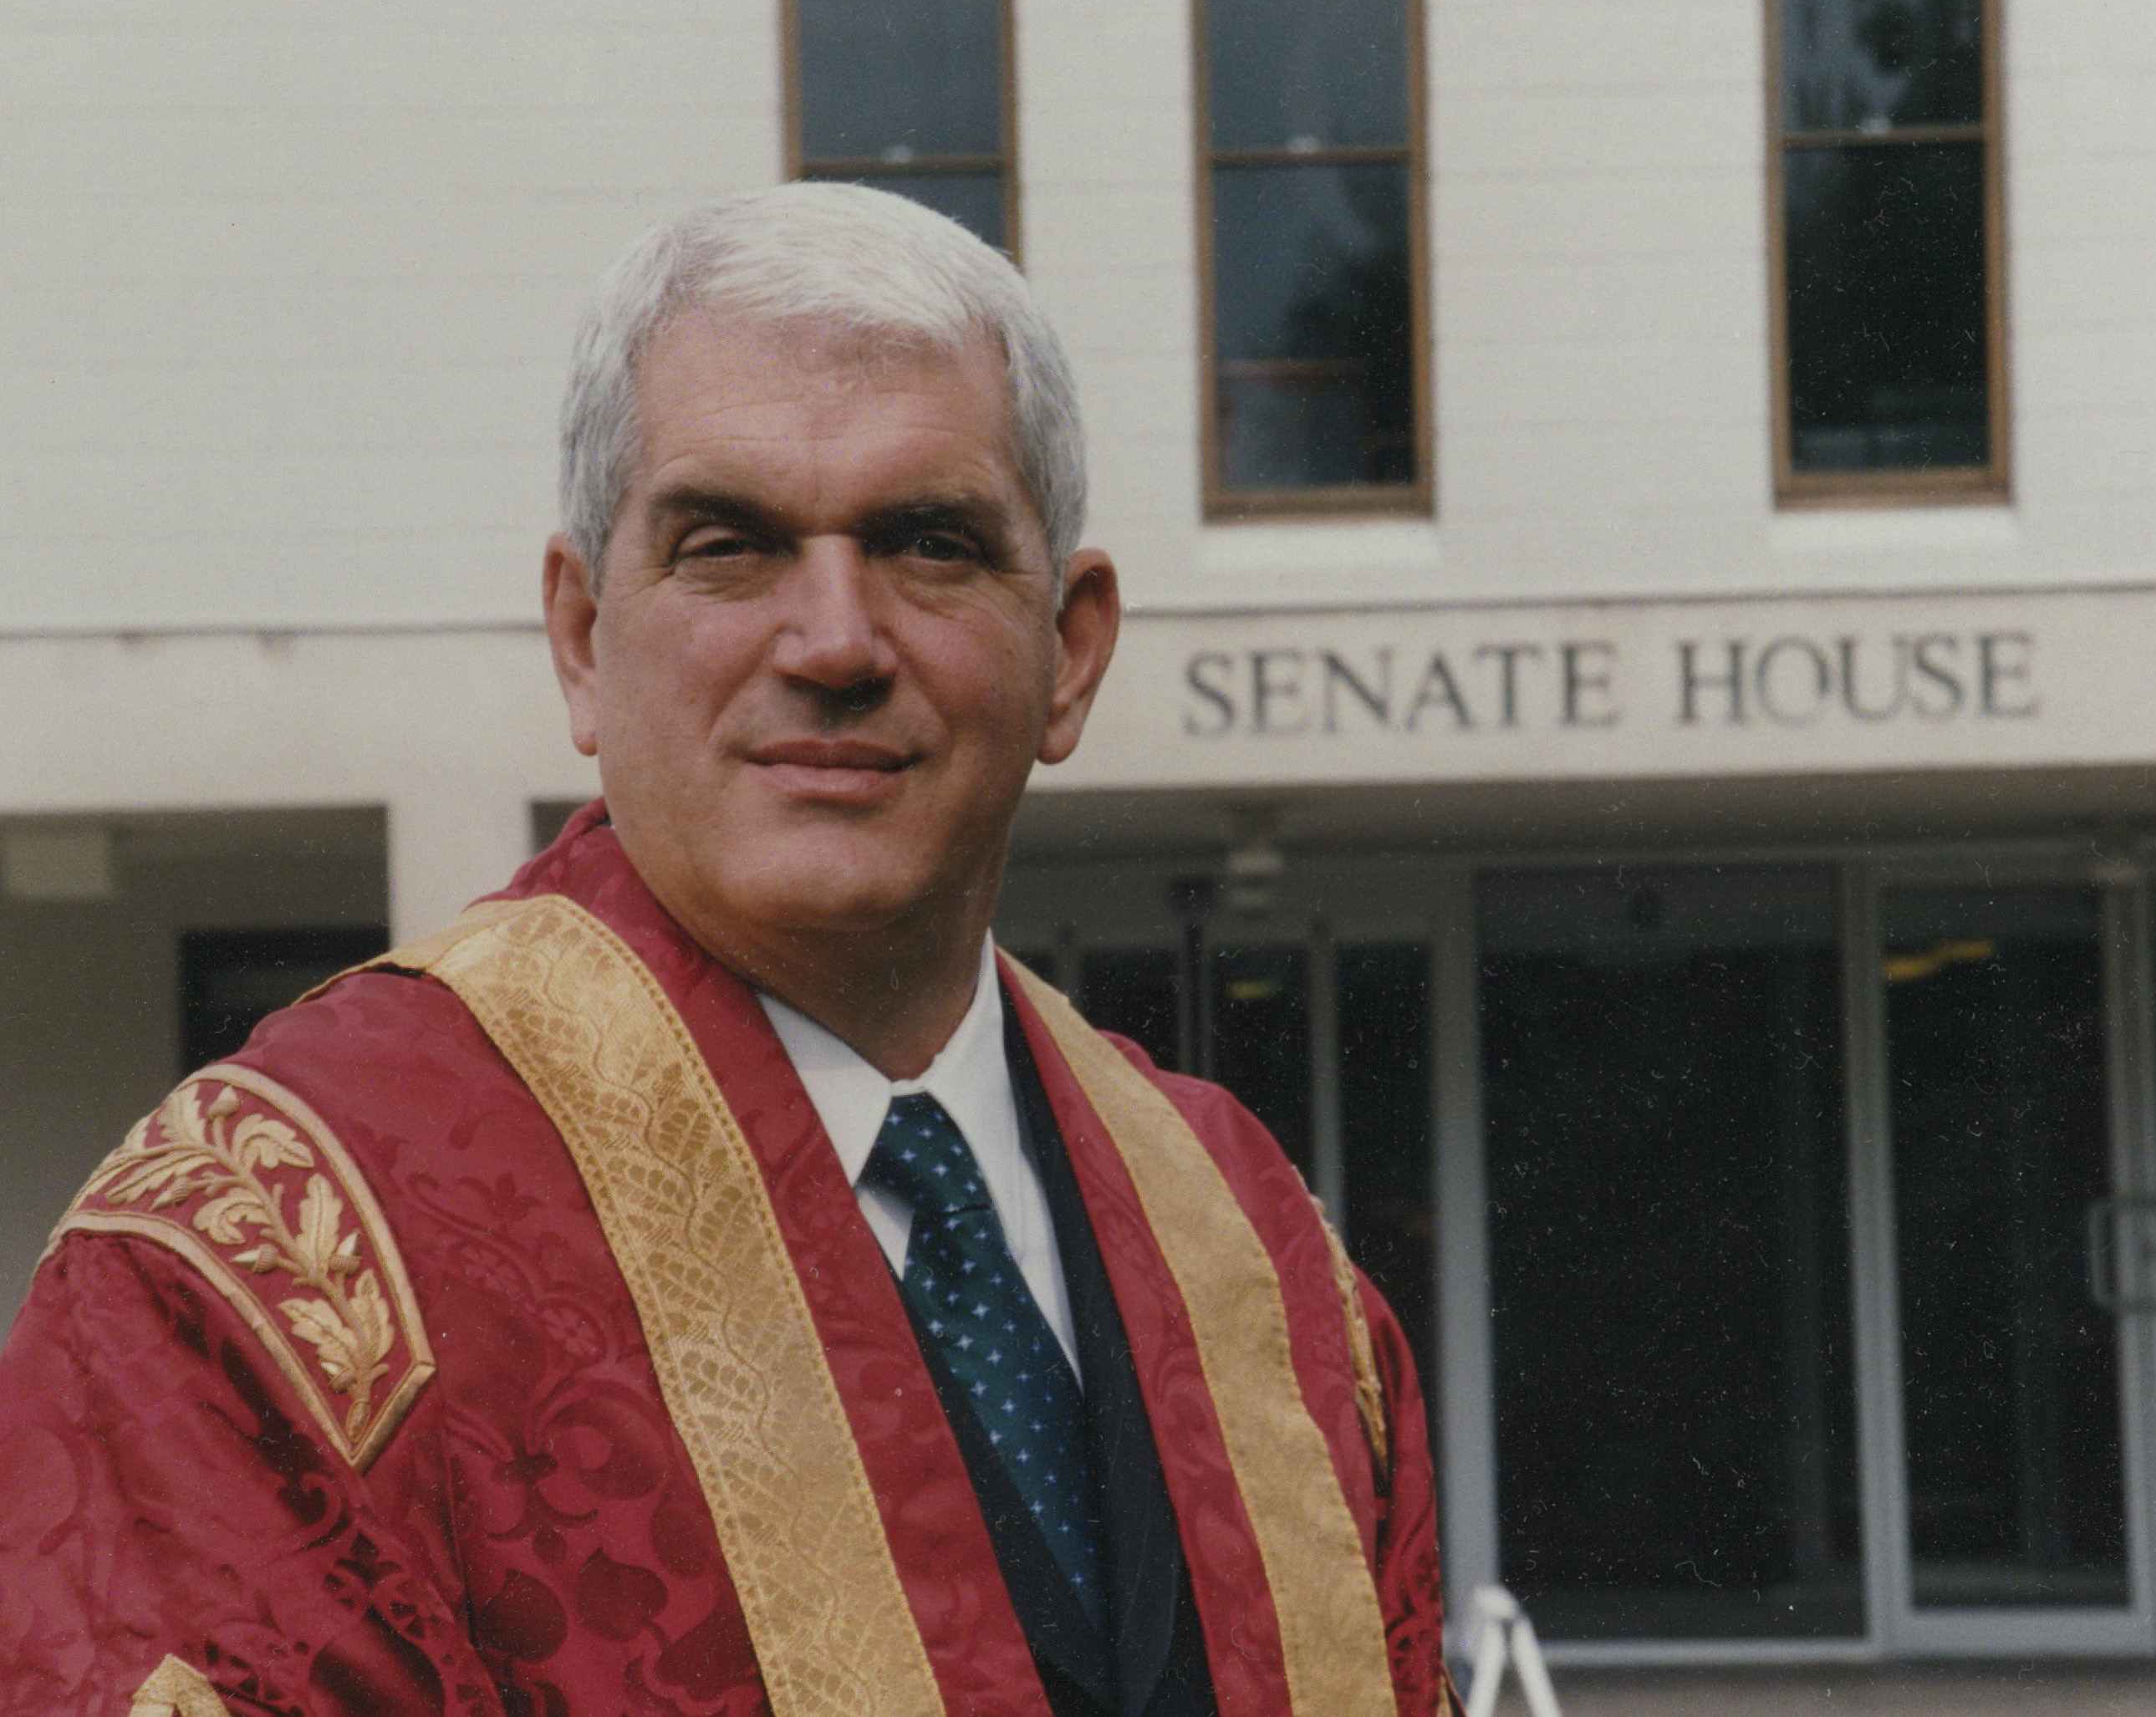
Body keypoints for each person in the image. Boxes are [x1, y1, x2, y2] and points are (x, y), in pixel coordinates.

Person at [0, 186, 1450, 1717]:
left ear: (1071, 651)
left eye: (930, 544)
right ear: (580, 635)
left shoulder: (1263, 1254)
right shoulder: (273, 1266)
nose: (833, 642)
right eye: (728, 545)